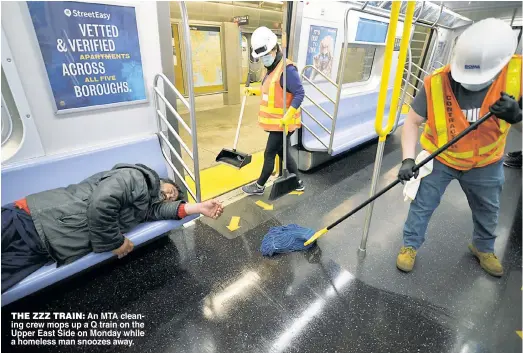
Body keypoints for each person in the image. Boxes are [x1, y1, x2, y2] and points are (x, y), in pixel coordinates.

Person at [396, 18, 522, 277]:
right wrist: (407, 159)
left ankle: (483, 247)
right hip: (440, 157)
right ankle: (409, 246)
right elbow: (412, 122)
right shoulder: (435, 83)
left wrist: (517, 117)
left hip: (487, 161)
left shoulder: (516, 76)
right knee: (422, 203)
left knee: (488, 208)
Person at [1, 163, 224, 292]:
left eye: (170, 198)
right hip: (30, 219)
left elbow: (163, 211)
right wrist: (115, 242)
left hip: (48, 247)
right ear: (162, 181)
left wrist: (199, 208)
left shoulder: (144, 207)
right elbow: (100, 203)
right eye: (170, 190)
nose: (168, 196)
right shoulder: (135, 177)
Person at [242, 26, 305, 196]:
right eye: (261, 57)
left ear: (275, 49)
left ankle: (260, 186)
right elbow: (272, 90)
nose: (264, 59)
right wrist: (254, 91)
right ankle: (297, 181)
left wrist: (289, 115)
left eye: (265, 55)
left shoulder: (287, 69)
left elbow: (300, 93)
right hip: (276, 122)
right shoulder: (272, 68)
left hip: (283, 123)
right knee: (282, 152)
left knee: (269, 152)